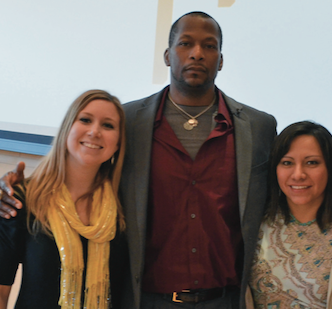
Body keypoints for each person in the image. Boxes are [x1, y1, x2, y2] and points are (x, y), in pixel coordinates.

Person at [0, 11, 276, 309]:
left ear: (221, 60)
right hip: (144, 300)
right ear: (168, 55)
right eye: (185, 44)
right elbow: (85, 165)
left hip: (224, 299)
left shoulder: (258, 128)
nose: (197, 53)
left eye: (209, 46)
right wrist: (13, 188)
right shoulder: (130, 121)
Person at [0, 89, 128, 309]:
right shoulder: (21, 200)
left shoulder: (125, 206)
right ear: (67, 127)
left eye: (108, 125)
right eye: (85, 120)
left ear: (117, 144)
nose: (95, 131)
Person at [248, 121, 332, 309]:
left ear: (331, 168)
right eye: (287, 163)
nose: (298, 174)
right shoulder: (254, 222)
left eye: (312, 163)